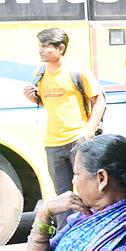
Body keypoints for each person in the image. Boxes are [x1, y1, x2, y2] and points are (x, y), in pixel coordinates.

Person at [22, 27, 105, 195]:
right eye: (40, 45)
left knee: (90, 192)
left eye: (46, 46)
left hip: (78, 140)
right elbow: (53, 102)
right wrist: (33, 98)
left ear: (60, 48)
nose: (41, 50)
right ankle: (65, 223)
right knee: (63, 196)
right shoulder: (40, 73)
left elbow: (99, 102)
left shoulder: (77, 71)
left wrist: (89, 132)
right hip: (53, 143)